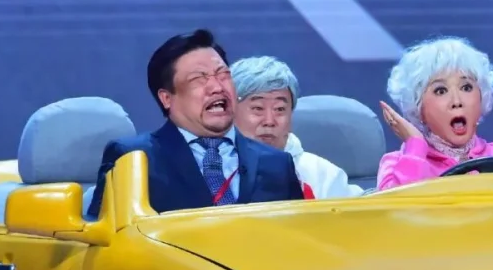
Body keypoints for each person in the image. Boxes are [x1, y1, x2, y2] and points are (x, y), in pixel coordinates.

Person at [86, 29, 304, 217]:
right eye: (198, 79)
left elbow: (297, 238)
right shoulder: (134, 158)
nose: (217, 87)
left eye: (223, 75)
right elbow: (106, 241)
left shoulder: (277, 163)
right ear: (167, 98)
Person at [377, 36, 493, 190]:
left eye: (466, 87)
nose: (457, 101)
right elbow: (393, 216)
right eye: (441, 91)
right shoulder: (397, 164)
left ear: (481, 97)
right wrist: (415, 146)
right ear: (418, 107)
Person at [231, 56, 363, 199]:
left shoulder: (322, 175)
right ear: (230, 112)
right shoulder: (218, 171)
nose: (269, 121)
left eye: (280, 109)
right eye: (258, 108)